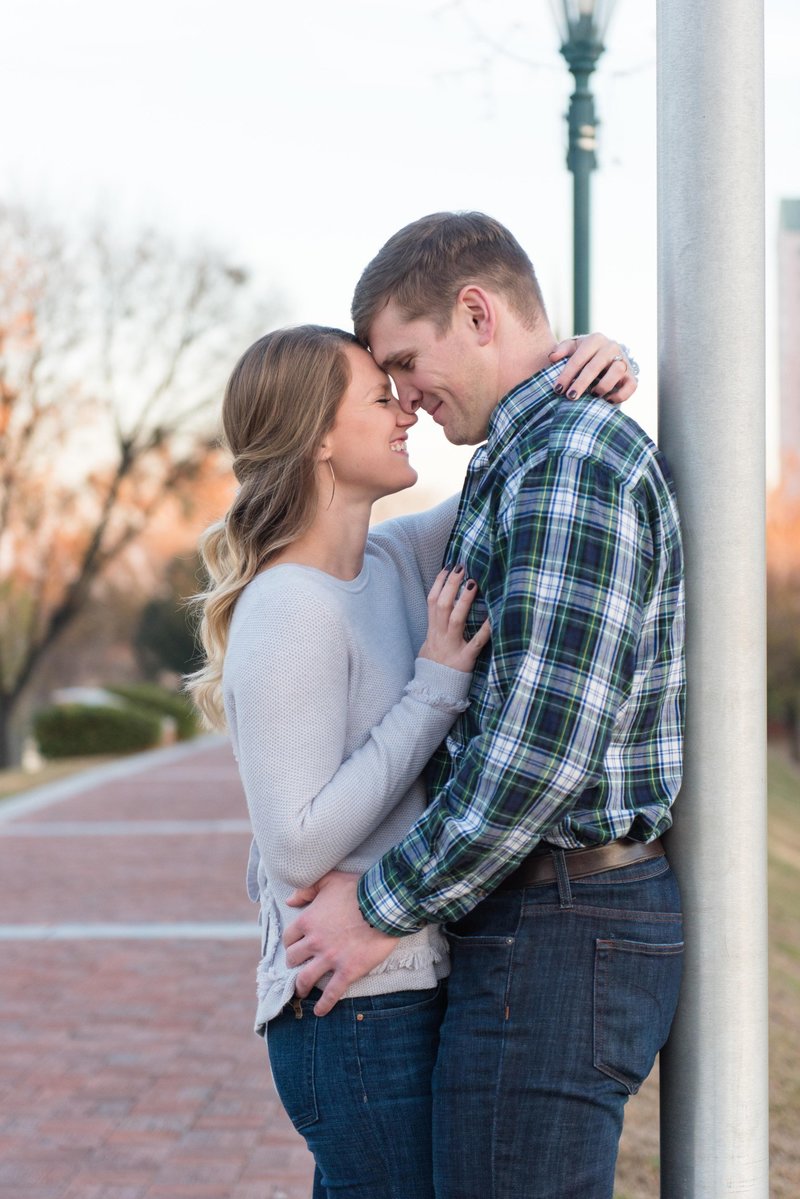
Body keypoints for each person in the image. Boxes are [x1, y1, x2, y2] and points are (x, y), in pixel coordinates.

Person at [187, 318, 639, 1199]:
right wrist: (433, 688)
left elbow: (513, 471)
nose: (405, 410)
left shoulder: (393, 558)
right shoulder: (288, 608)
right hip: (346, 1013)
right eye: (378, 395)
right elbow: (296, 845)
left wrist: (592, 362)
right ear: (319, 436)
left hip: (406, 976)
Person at [282, 212, 686, 1199]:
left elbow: (540, 752)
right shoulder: (521, 456)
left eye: (404, 363)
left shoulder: (566, 459)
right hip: (540, 907)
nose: (406, 399)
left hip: (563, 913)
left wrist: (378, 906)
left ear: (474, 311)